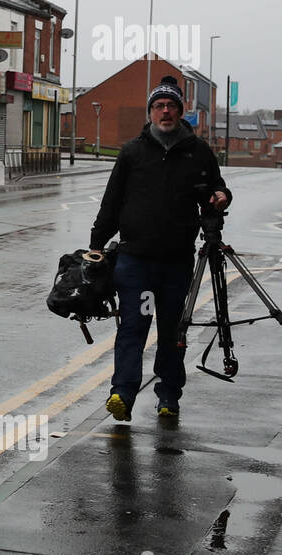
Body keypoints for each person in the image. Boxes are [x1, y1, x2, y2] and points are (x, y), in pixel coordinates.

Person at [89, 75, 231, 421]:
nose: (165, 111)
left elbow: (217, 188)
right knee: (134, 327)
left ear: (181, 112)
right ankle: (122, 393)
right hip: (135, 260)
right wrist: (95, 245)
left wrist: (222, 197)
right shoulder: (132, 152)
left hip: (176, 262)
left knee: (172, 332)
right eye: (159, 106)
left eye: (171, 106)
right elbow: (112, 202)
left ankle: (168, 396)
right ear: (151, 112)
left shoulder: (197, 152)